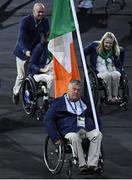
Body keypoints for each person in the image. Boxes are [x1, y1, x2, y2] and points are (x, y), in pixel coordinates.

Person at [44, 80, 102, 173]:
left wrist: (98, 128)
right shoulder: (58, 103)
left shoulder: (85, 101)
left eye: (78, 90)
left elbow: (95, 117)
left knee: (97, 134)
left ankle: (92, 164)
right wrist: (55, 137)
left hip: (85, 129)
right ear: (68, 90)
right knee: (75, 137)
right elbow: (48, 120)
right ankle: (82, 165)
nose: (76, 91)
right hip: (69, 130)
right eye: (74, 89)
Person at [12, 3, 50, 105]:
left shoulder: (45, 21)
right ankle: (16, 92)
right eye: (39, 12)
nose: (41, 14)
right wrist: (26, 50)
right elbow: (21, 38)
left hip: (35, 51)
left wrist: (48, 43)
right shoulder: (25, 21)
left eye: (42, 12)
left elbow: (47, 34)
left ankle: (32, 92)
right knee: (22, 75)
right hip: (22, 51)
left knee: (36, 73)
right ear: (33, 12)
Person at [84, 32, 125, 103]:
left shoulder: (115, 49)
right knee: (107, 75)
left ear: (113, 44)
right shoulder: (95, 46)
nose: (108, 45)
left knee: (117, 74)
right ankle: (109, 97)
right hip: (99, 71)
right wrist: (86, 66)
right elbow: (83, 52)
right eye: (106, 42)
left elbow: (122, 52)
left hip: (111, 69)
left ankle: (115, 96)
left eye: (110, 43)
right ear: (103, 41)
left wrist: (120, 68)